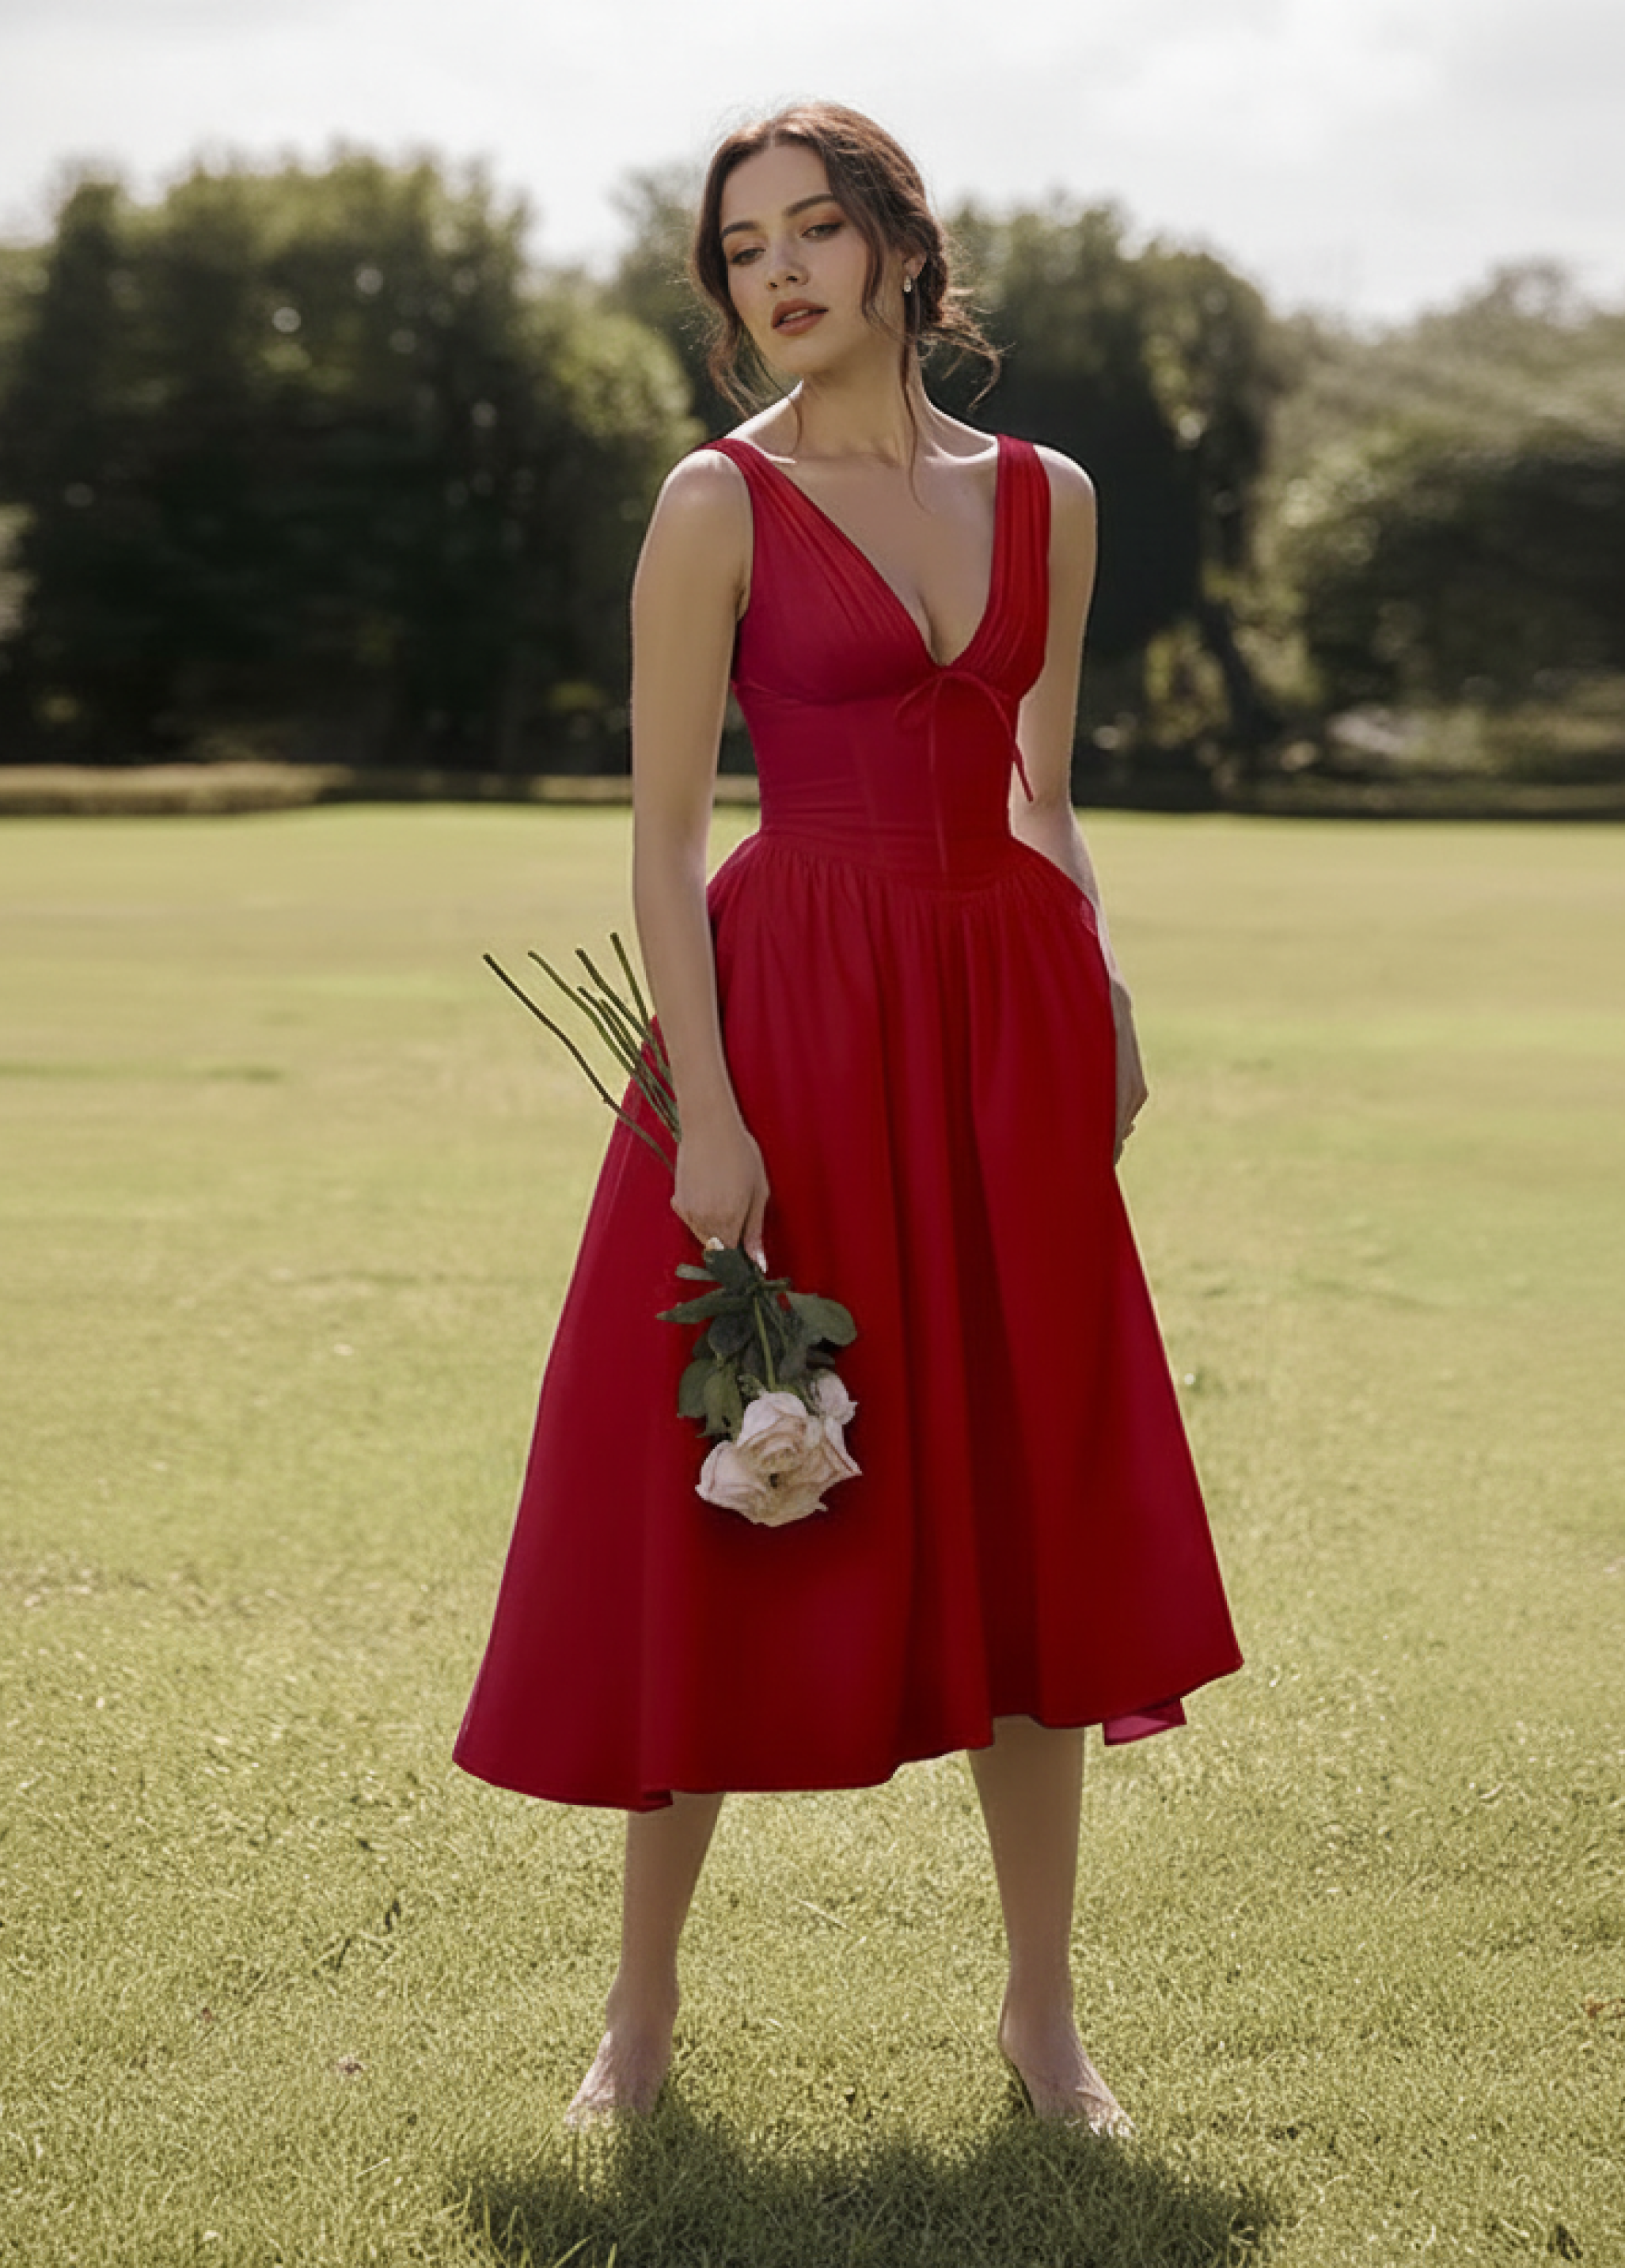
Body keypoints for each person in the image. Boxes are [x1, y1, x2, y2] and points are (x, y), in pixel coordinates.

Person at [452, 100, 1243, 2140]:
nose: (780, 273)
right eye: (744, 249)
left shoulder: (1050, 497)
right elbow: (662, 841)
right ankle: (637, 2019)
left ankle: (1044, 2020)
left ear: (898, 246)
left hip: (1001, 1030)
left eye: (814, 230)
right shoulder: (713, 502)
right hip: (788, 1021)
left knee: (1022, 1494)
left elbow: (1043, 790)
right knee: (722, 1491)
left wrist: (1105, 978)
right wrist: (710, 1112)